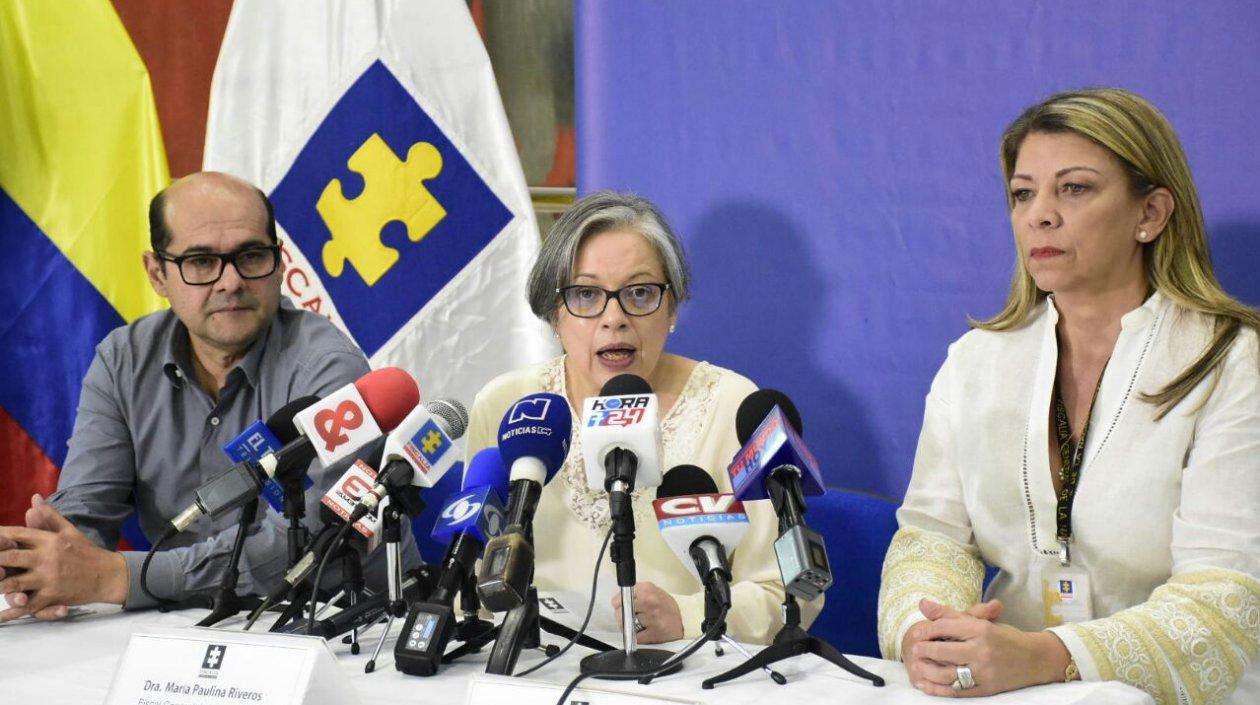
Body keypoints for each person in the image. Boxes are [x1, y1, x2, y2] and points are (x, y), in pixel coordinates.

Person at [878, 88, 1260, 703]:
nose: (1040, 215)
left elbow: (1225, 600)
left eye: (1075, 188)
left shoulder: (1233, 361)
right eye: (1023, 193)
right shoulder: (974, 361)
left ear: (1152, 213)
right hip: (1011, 689)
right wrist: (928, 635)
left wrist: (1048, 657)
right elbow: (931, 538)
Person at [0, 172, 409, 621]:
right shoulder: (124, 360)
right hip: (179, 624)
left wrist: (118, 577)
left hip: (341, 623)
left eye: (251, 256)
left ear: (279, 262)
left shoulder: (329, 369)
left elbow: (313, 538)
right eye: (200, 262)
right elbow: (85, 512)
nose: (230, 281)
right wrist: (37, 564)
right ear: (158, 274)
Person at [463, 191, 816, 645]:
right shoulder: (508, 404)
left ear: (672, 307)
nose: (614, 318)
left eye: (640, 293)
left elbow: (789, 592)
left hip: (681, 673)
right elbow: (474, 574)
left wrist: (690, 616)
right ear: (554, 313)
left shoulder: (734, 406)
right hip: (532, 670)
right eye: (586, 294)